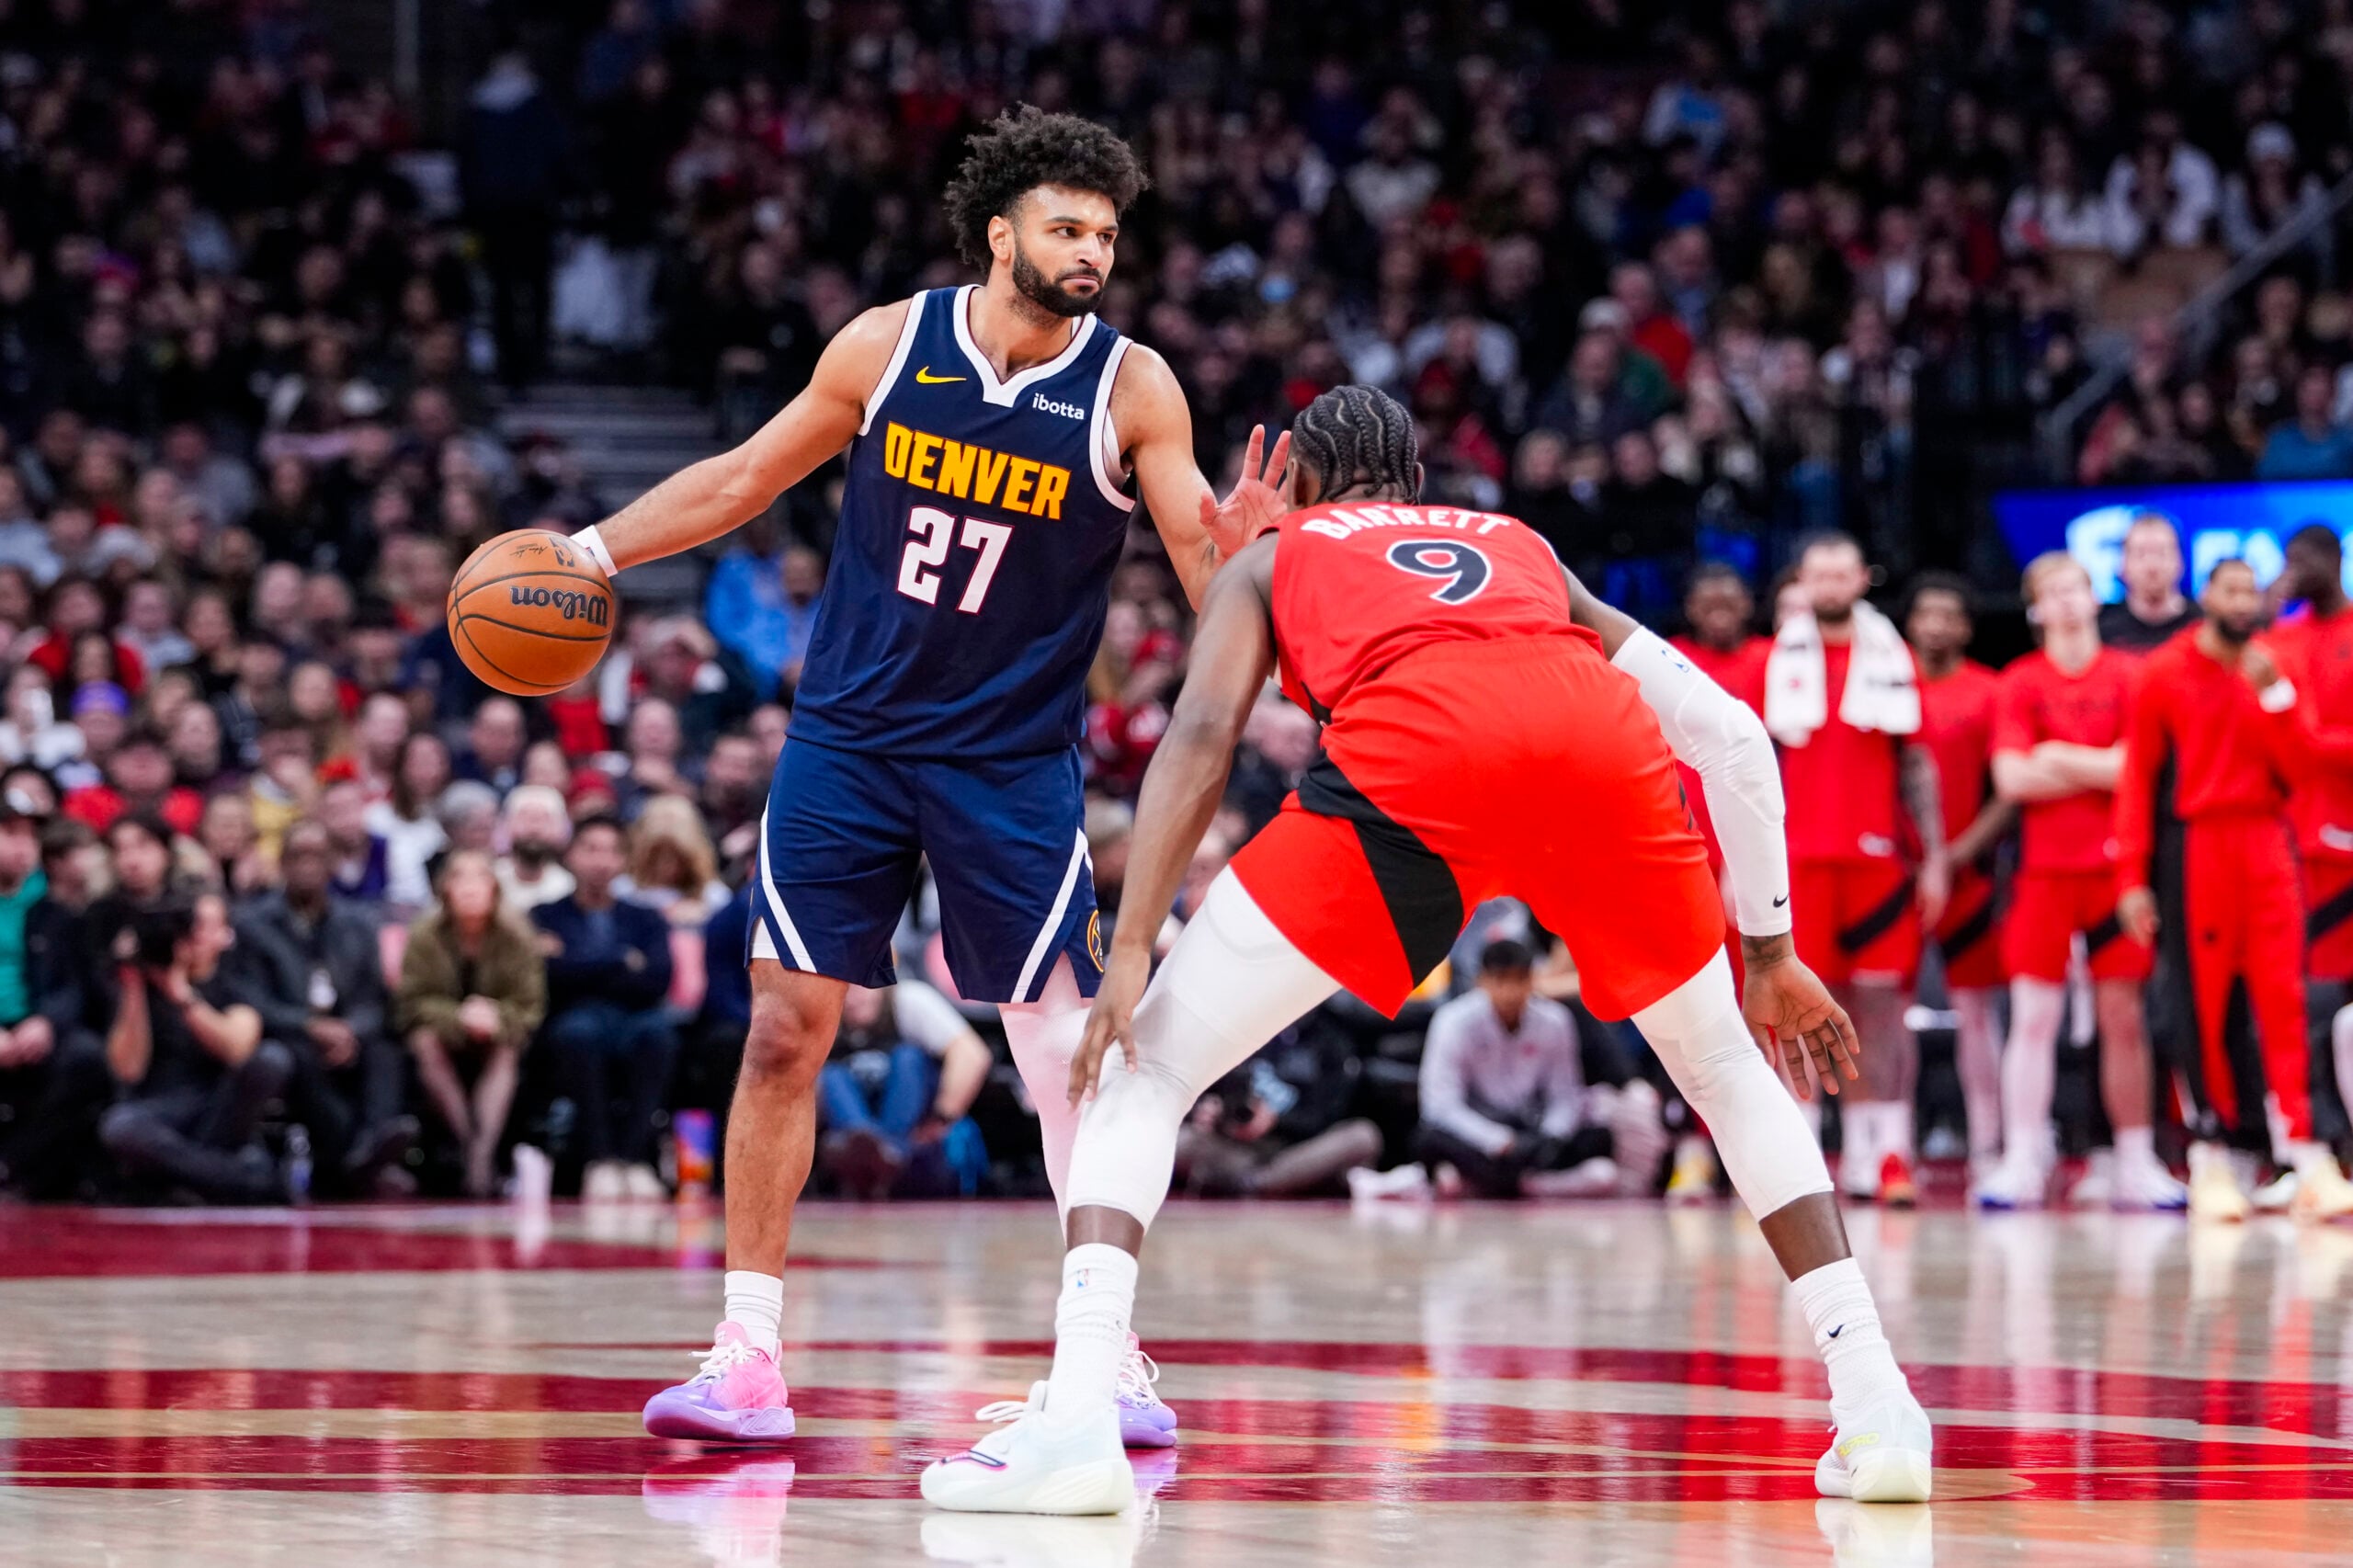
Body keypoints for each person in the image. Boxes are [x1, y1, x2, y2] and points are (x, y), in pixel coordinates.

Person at [919, 386, 1930, 1513]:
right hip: (1597, 761)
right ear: (1410, 477)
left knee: (1145, 1074)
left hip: (1416, 778)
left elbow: (1204, 731)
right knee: (1730, 1076)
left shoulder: (1276, 553)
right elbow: (1733, 734)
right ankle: (1878, 1404)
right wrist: (1773, 949)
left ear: (1293, 468)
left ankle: (1076, 1419)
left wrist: (1136, 945)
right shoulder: (1518, 543)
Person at [617, 107, 1282, 1447]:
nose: (1092, 249)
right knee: (781, 1031)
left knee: (1062, 1051)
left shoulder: (1134, 386)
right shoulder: (887, 342)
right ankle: (748, 1351)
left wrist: (1252, 558)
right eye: (1066, 225)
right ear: (1000, 230)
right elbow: (747, 476)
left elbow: (1213, 594)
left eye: (1106, 231)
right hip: (848, 740)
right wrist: (588, 549)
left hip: (1009, 759)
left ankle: (1109, 1357)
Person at [2115, 559, 2353, 1220]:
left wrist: (2277, 698)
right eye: (2233, 589)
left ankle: (2305, 1155)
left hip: (2268, 843)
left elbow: (2302, 769)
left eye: (2253, 590)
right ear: (2207, 597)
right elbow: (2137, 778)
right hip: (2196, 849)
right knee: (2200, 1006)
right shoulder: (2163, 672)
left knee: (2284, 999)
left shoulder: (2274, 666)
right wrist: (2131, 877)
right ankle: (2210, 1155)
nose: (2245, 601)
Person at [1981, 554, 2177, 1210]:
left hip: (2117, 871)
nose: (2065, 601)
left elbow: (2139, 769)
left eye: (2075, 589)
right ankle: (2021, 1157)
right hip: (2042, 872)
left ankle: (2135, 1159)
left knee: (2125, 1018)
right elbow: (2010, 780)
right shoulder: (2019, 682)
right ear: (2035, 609)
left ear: (2096, 599)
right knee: (2033, 1017)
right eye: (2052, 592)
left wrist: (2059, 756)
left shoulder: (2132, 674)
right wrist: (2101, 766)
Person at [1765, 534, 1947, 1206]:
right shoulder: (1770, 661)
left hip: (1877, 861)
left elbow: (1917, 765)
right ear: (1804, 582)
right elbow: (1740, 770)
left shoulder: (1891, 655)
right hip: (1797, 863)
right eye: (1820, 573)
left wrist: (1934, 859)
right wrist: (1737, 865)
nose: (1832, 583)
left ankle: (1886, 1152)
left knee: (1878, 1008)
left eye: (1843, 572)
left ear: (1862, 579)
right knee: (1797, 1010)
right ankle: (1803, 1155)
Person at [237, 818, 418, 1198]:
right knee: (296, 1056)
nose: (308, 865)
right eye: (298, 855)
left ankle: (374, 1144)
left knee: (386, 1047)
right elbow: (251, 999)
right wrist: (309, 1025)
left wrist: (352, 1029)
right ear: (282, 863)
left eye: (318, 856)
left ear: (334, 863)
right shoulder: (252, 924)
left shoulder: (359, 922)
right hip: (290, 1033)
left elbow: (374, 999)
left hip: (347, 1030)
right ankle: (351, 1158)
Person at [1903, 574, 2011, 1183]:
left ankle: (1990, 1147)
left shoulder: (1989, 692)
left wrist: (1957, 853)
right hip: (1895, 876)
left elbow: (2009, 789)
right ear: (1911, 623)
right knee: (1888, 1015)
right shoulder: (1887, 688)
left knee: (1977, 1015)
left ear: (1967, 628)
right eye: (1927, 613)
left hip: (1969, 875)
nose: (1938, 625)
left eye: (1950, 614)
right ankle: (1892, 1144)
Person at [1414, 937, 1662, 1199]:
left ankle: (1505, 1183)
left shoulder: (1554, 1021)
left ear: (1532, 980)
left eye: (1519, 980)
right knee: (1429, 1140)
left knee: (1598, 1138)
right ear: (1482, 981)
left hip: (1531, 1128)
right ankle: (1529, 1182)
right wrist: (1497, 1140)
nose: (1510, 992)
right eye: (1501, 980)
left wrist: (1550, 1136)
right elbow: (1440, 1105)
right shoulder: (1453, 1022)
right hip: (1481, 1131)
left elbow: (1565, 1095)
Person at [96, 892, 297, 1204]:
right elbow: (127, 1069)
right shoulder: (142, 983)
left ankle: (183, 1183)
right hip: (161, 1108)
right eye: (189, 925)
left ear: (225, 935)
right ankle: (243, 1181)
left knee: (271, 1059)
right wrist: (134, 983)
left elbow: (237, 1049)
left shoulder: (237, 983)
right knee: (120, 1127)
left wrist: (181, 993)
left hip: (219, 1108)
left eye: (203, 925)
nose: (194, 934)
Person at [2265, 527, 2353, 1178]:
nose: (2298, 571)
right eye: (2290, 561)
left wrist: (2305, 738)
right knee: (2309, 1007)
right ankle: (2315, 1144)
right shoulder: (2275, 643)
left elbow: (2306, 742)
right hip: (2299, 847)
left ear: (2336, 561)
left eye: (2308, 560)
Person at [532, 813, 677, 1200]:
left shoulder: (645, 918)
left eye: (612, 851)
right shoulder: (546, 914)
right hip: (575, 1016)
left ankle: (633, 1160)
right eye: (591, 849)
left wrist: (581, 962)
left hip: (635, 1016)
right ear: (570, 856)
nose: (601, 861)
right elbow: (551, 977)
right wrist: (619, 960)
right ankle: (597, 1160)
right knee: (578, 1035)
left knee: (659, 1035)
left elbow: (657, 980)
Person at [398, 848, 546, 1198]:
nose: (470, 886)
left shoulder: (517, 935)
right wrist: (458, 1017)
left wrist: (494, 1017)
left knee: (506, 1050)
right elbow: (410, 1004)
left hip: (498, 1035)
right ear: (444, 888)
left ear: (495, 887)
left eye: (480, 876)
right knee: (425, 1044)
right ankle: (470, 1147)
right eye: (459, 877)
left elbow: (530, 1007)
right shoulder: (424, 934)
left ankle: (480, 1155)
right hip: (442, 1036)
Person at [0, 801, 104, 1198]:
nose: (24, 847)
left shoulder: (53, 911)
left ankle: (14, 1163)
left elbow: (71, 986)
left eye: (30, 836)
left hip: (32, 1026)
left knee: (88, 1058)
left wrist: (45, 1022)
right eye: (11, 834)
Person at [814, 979, 994, 1201]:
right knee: (830, 1074)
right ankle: (865, 1146)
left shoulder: (908, 999)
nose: (853, 998)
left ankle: (889, 1149)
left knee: (908, 1057)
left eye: (860, 987)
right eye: (845, 990)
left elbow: (972, 1055)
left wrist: (943, 1116)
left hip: (913, 1128)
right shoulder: (822, 1009)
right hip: (851, 1121)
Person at [2098, 512, 2200, 653]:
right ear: (2123, 564)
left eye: (2161, 553)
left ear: (2180, 562)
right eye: (2141, 554)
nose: (2152, 566)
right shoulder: (2101, 631)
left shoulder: (2203, 628)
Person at [494, 783, 576, 912]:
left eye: (544, 818)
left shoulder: (569, 887)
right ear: (507, 824)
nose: (534, 828)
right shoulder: (492, 880)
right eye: (525, 817)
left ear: (560, 829)